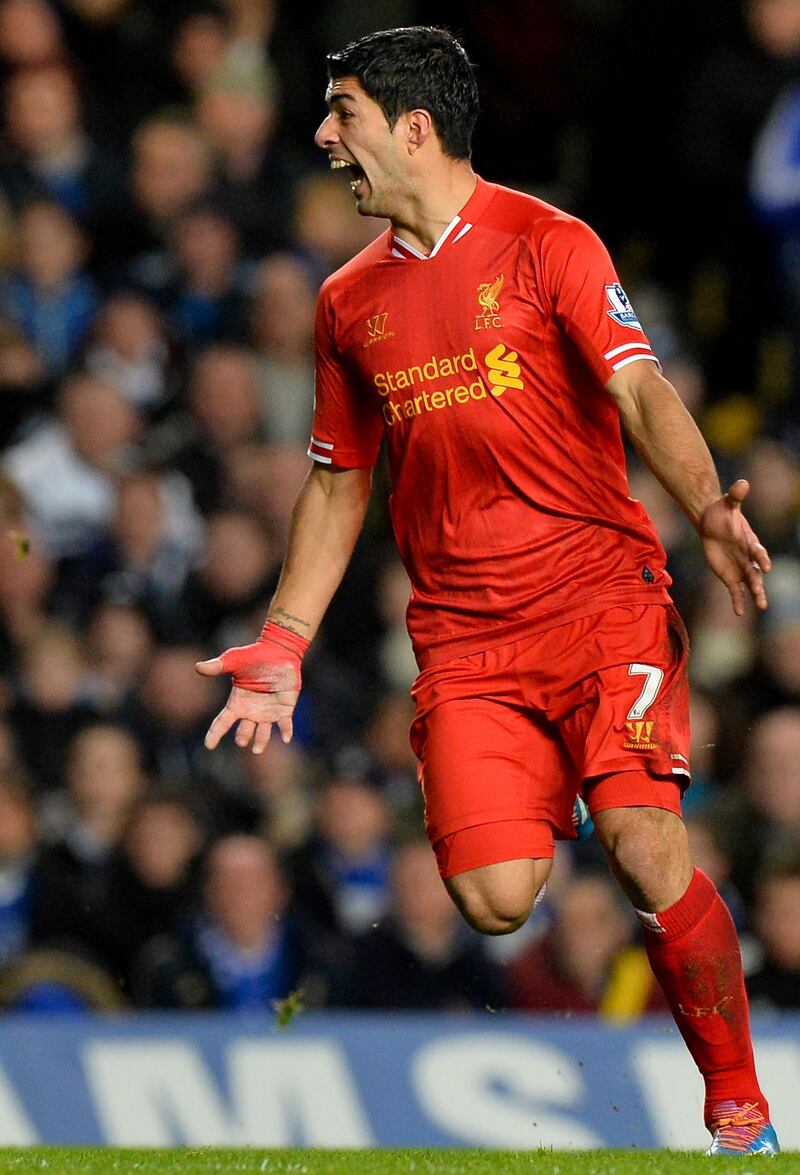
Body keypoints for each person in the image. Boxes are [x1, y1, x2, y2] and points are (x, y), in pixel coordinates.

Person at [196, 26, 778, 1156]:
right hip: (464, 637)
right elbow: (334, 484)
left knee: (641, 841)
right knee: (494, 896)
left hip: (599, 596)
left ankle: (737, 1106)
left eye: (343, 114)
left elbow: (639, 386)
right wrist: (282, 637)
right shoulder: (345, 303)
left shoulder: (545, 240)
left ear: (413, 127)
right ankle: (550, 782)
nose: (322, 138)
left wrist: (704, 502)